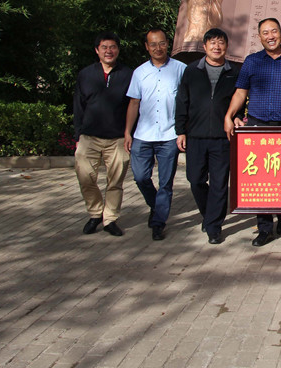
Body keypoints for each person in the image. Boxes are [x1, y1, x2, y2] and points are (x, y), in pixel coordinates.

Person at [224, 17, 281, 247]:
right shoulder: (252, 62)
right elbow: (241, 92)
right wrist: (229, 115)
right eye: (265, 33)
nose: (270, 36)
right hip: (257, 127)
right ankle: (264, 228)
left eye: (274, 31)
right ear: (259, 37)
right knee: (260, 177)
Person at [175, 28, 239, 245]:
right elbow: (182, 101)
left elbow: (239, 101)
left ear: (226, 46)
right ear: (205, 47)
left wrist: (237, 117)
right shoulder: (192, 70)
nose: (216, 46)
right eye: (212, 42)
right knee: (195, 180)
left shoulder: (233, 72)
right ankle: (208, 214)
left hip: (223, 138)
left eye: (220, 42)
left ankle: (214, 227)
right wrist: (180, 131)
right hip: (196, 135)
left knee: (220, 183)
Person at [124, 29, 186, 242]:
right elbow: (134, 103)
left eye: (161, 43)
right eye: (153, 44)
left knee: (166, 183)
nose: (158, 48)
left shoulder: (181, 69)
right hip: (143, 134)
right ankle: (156, 205)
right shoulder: (139, 72)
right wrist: (127, 132)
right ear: (146, 47)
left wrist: (183, 131)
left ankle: (158, 223)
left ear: (168, 43)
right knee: (140, 177)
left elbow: (187, 102)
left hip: (170, 135)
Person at [73, 32, 133, 237]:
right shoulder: (86, 74)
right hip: (89, 137)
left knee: (115, 182)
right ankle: (95, 213)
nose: (109, 51)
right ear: (97, 50)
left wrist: (129, 133)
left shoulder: (128, 74)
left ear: (118, 50)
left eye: (113, 47)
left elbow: (134, 106)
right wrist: (78, 135)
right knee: (85, 177)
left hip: (117, 138)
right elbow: (78, 106)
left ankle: (110, 219)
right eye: (104, 47)